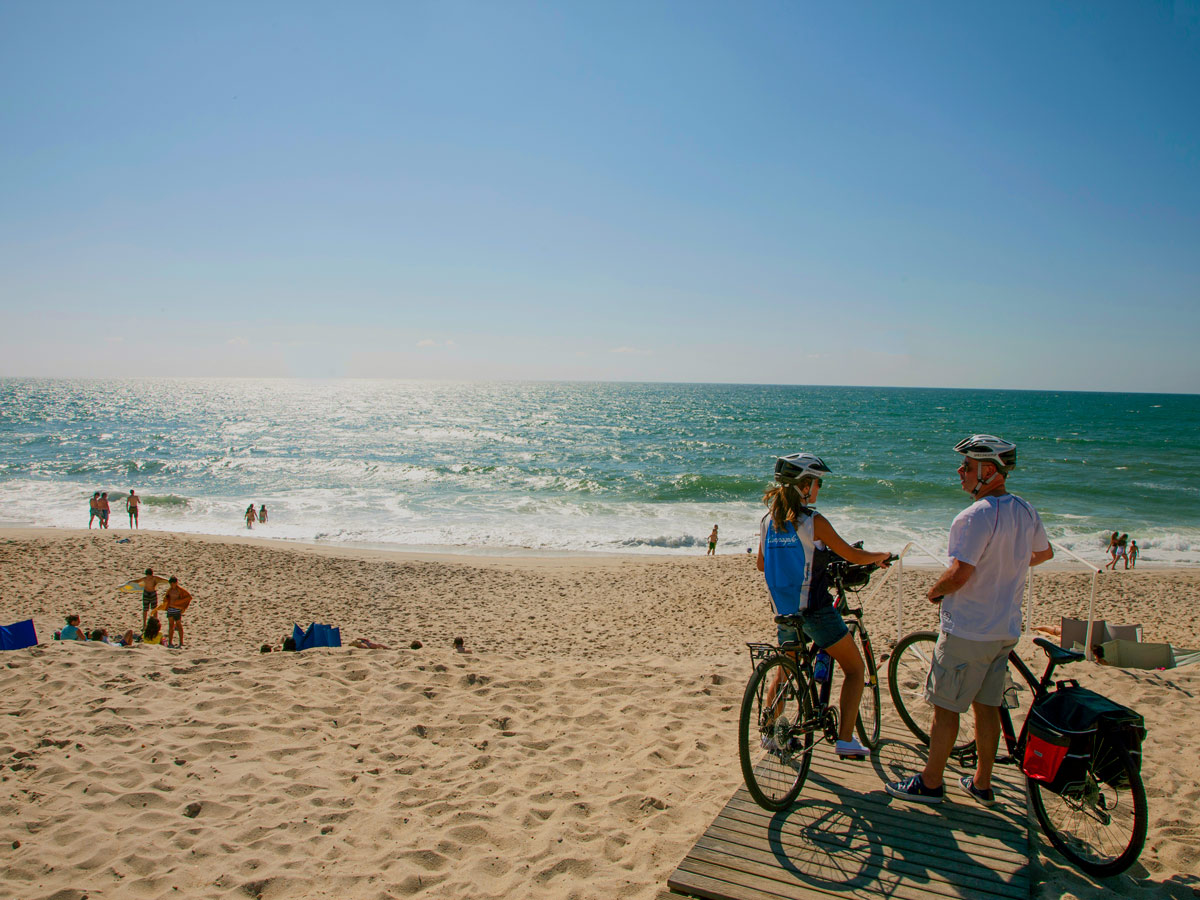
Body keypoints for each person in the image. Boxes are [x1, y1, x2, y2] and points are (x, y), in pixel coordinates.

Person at [886, 434, 1053, 805]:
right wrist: (1005, 565)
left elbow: (959, 574)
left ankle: (930, 783)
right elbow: (1044, 553)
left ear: (988, 471)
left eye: (967, 466)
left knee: (945, 709)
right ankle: (982, 782)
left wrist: (934, 592)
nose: (960, 471)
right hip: (1004, 628)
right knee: (987, 706)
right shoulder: (1025, 510)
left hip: (968, 629)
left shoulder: (974, 516)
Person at [757, 453, 892, 760]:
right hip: (815, 610)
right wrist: (879, 555)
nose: (819, 488)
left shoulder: (767, 521)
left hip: (784, 612)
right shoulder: (813, 522)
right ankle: (845, 739)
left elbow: (761, 564)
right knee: (856, 669)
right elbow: (851, 554)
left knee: (785, 671)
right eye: (817, 482)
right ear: (804, 486)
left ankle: (768, 733)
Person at [154, 577, 192, 648]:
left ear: (176, 583)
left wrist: (179, 604)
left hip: (177, 610)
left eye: (173, 583)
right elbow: (166, 599)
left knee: (179, 625)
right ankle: (170, 642)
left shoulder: (180, 591)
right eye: (170, 584)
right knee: (170, 626)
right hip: (170, 609)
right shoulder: (169, 590)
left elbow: (188, 597)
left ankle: (181, 642)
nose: (172, 585)